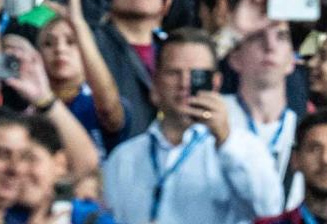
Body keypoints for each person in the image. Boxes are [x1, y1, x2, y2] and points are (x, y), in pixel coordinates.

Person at [100, 28, 283, 224]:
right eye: (174, 73)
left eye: (197, 75)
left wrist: (225, 140)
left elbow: (269, 209)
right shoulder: (124, 157)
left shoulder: (244, 147)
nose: (185, 83)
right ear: (155, 82)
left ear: (215, 83)